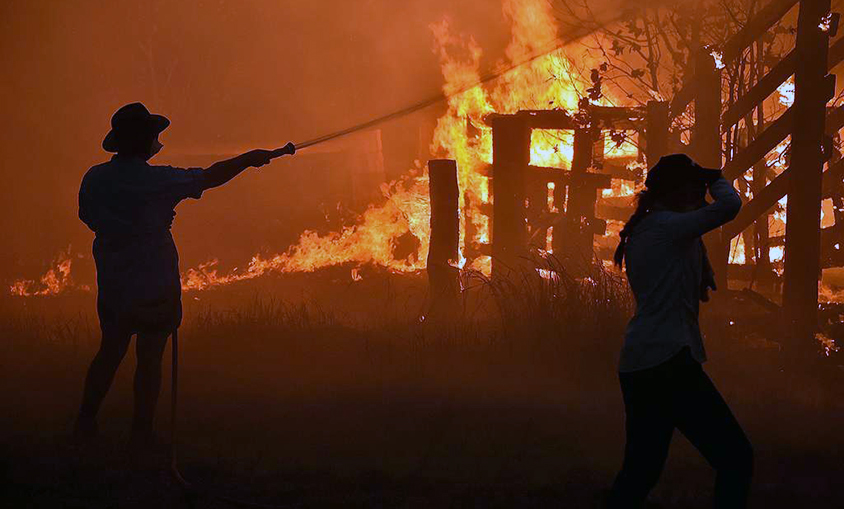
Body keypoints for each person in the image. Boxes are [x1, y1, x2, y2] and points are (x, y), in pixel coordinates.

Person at [74, 102, 295, 443]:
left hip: (114, 280)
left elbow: (87, 217)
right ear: (143, 140)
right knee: (150, 357)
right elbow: (209, 176)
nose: (157, 141)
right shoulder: (157, 180)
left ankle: (85, 423)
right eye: (153, 135)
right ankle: (142, 432)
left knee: (110, 350)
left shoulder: (95, 178)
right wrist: (249, 159)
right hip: (154, 282)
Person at [607, 154, 753, 509]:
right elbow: (730, 205)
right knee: (736, 458)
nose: (698, 197)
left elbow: (688, 238)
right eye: (693, 189)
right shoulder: (667, 228)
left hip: (641, 364)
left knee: (641, 471)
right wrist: (714, 176)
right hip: (668, 364)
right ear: (676, 192)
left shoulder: (650, 227)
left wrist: (701, 262)